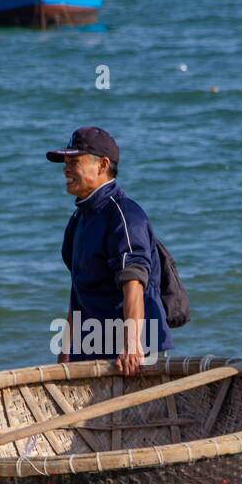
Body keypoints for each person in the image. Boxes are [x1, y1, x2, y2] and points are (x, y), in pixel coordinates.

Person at [47, 126, 171, 374]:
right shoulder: (79, 218)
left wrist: (132, 343)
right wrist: (67, 347)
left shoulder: (123, 214)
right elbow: (79, 288)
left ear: (102, 165)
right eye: (65, 163)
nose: (66, 169)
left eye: (74, 162)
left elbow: (134, 279)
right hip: (93, 343)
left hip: (135, 349)